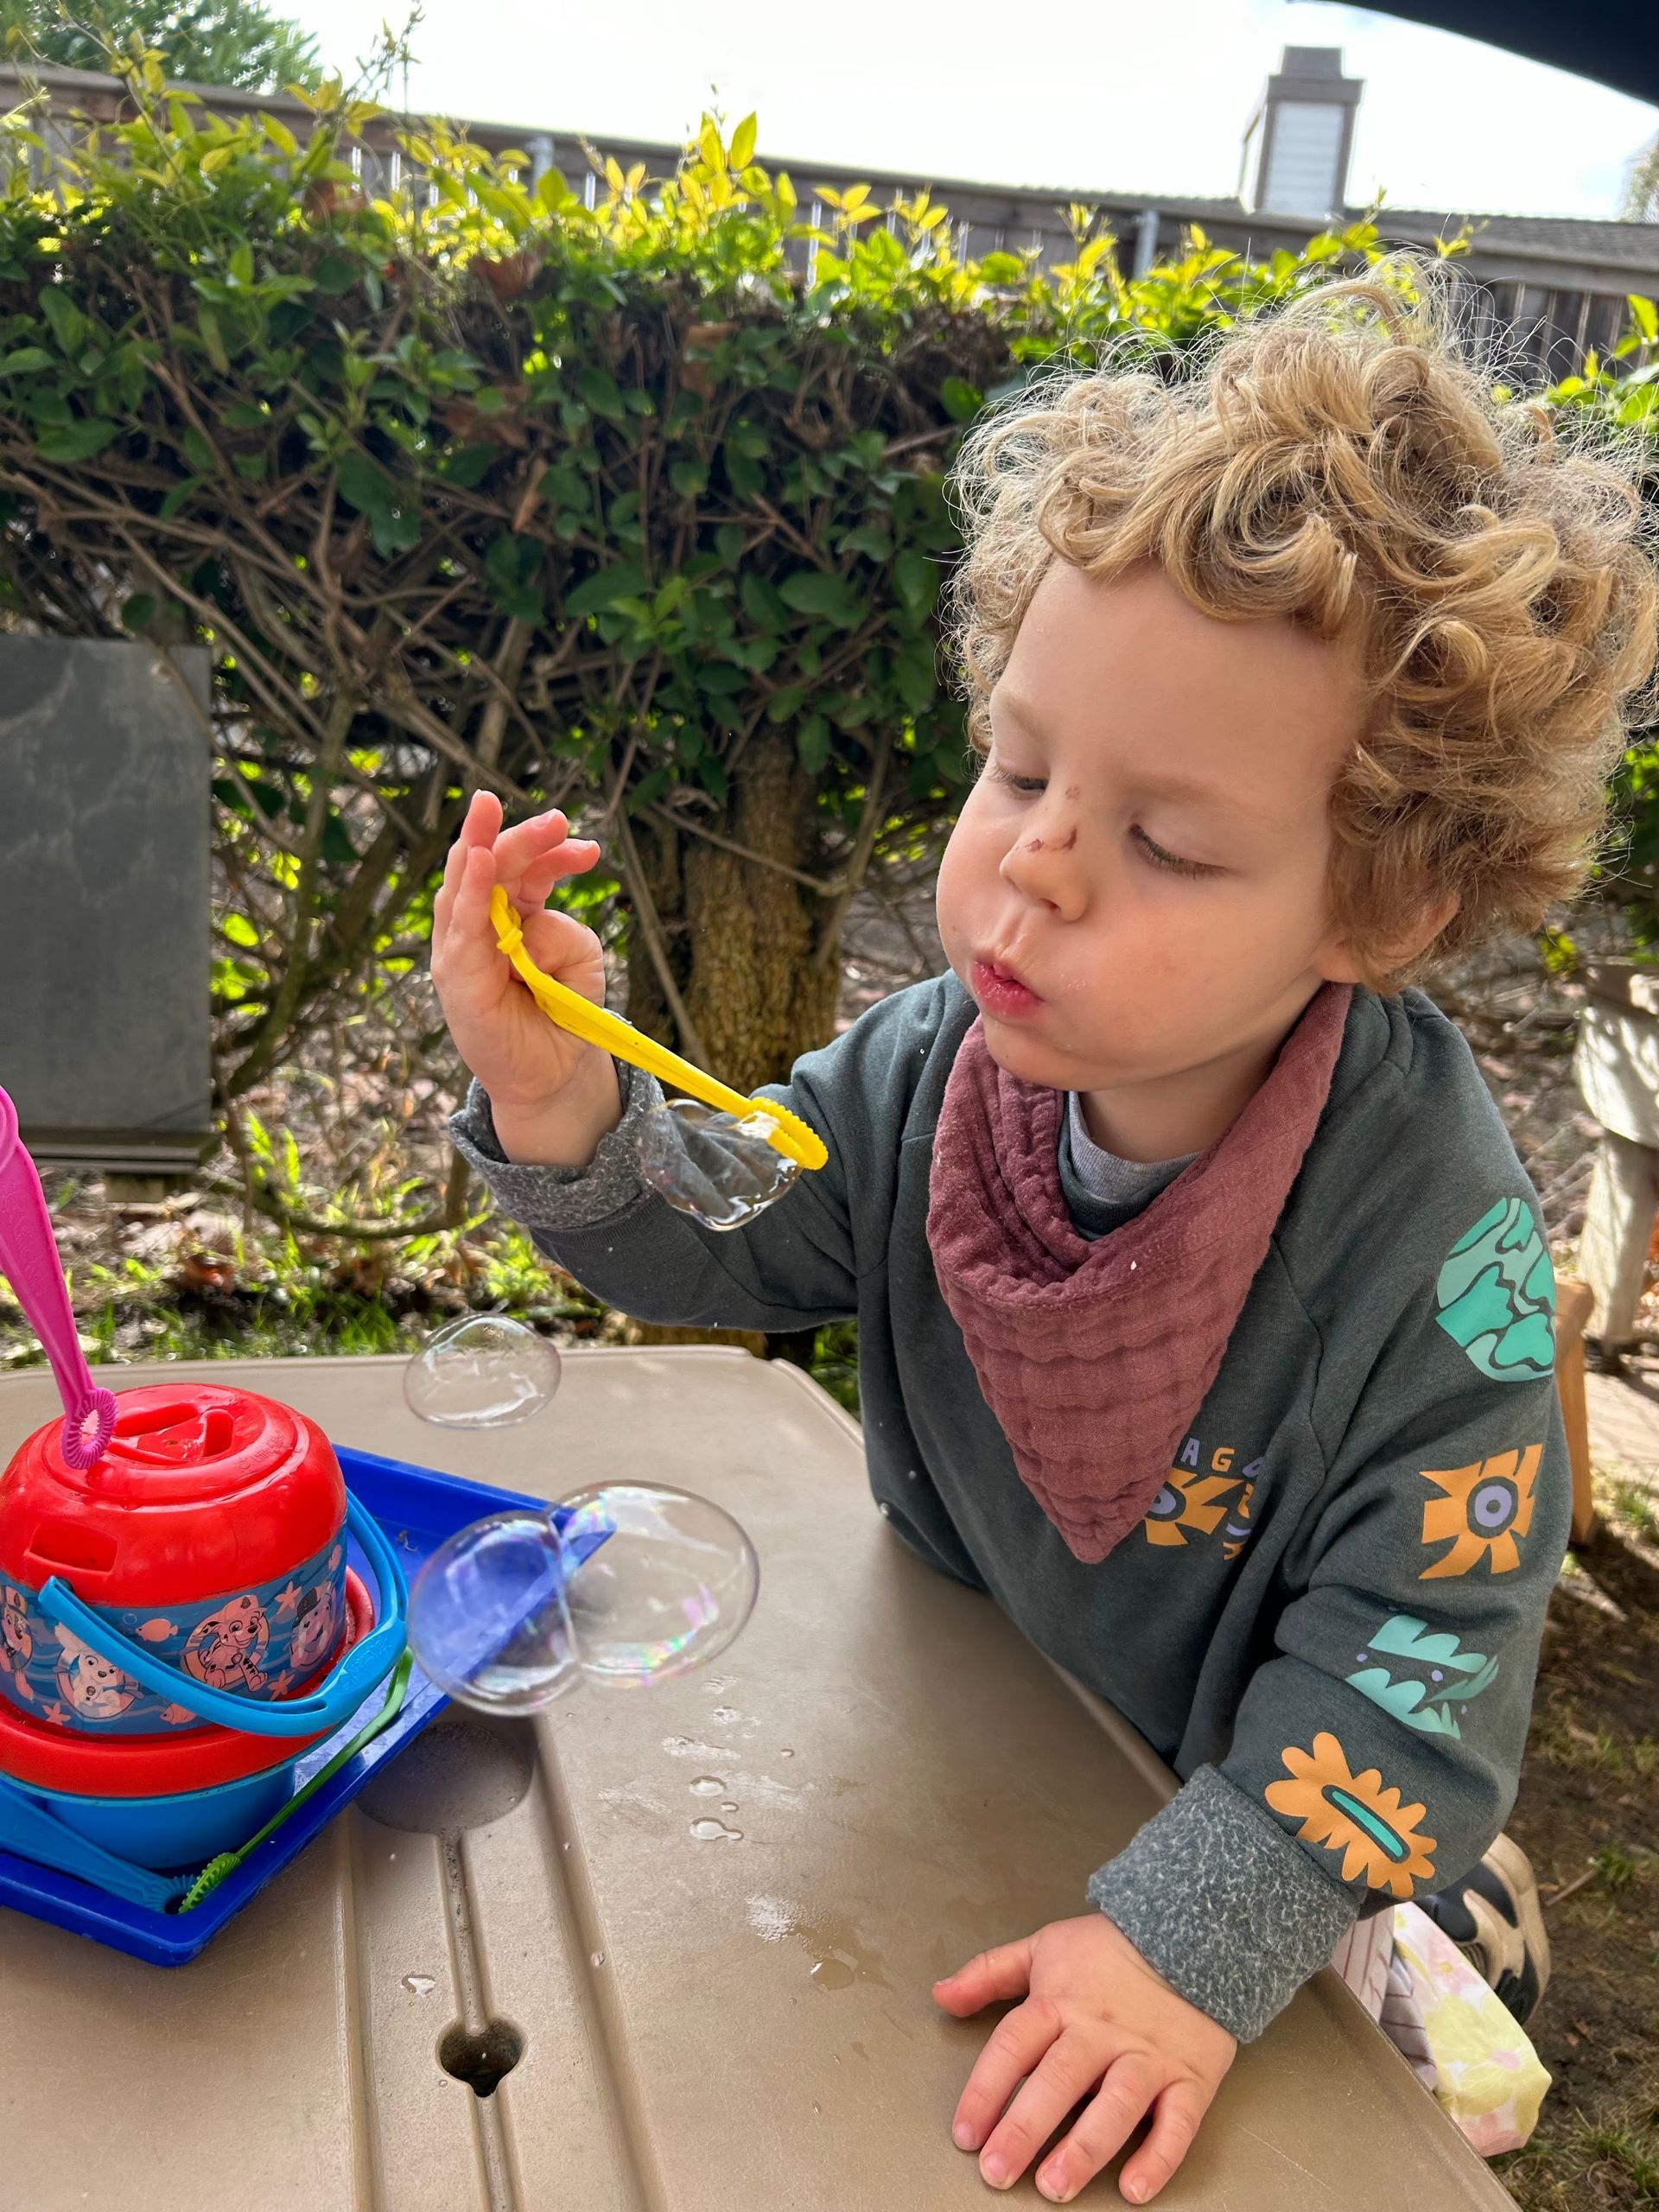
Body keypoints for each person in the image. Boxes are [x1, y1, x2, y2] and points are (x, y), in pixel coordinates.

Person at [430, 270, 1659, 2203]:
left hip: (1267, 1818)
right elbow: (729, 1249)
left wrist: (1200, 1937)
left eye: (1167, 842)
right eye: (1018, 763)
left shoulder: (1443, 1250)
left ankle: (1459, 1940)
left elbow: (1429, 1645)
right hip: (965, 1714)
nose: (1035, 860)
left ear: (1390, 904)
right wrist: (556, 1102)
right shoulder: (940, 1064)